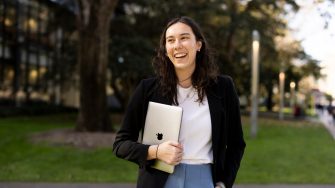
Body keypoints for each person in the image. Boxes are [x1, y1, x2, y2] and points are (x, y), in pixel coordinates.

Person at [113, 16, 246, 188]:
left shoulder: (223, 88)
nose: (177, 45)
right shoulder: (148, 89)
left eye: (184, 38)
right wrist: (156, 151)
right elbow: (120, 144)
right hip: (159, 182)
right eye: (170, 40)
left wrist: (223, 184)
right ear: (166, 49)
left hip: (204, 179)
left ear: (198, 44)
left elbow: (236, 144)